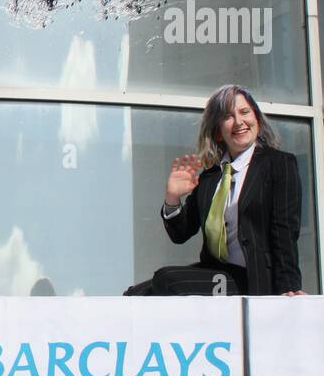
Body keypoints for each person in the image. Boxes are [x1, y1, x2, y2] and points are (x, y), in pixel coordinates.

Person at [126, 84, 306, 297]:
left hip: (253, 277)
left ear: (256, 119)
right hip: (219, 275)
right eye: (228, 117)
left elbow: (284, 230)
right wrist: (173, 198)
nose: (239, 122)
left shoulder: (279, 164)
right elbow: (181, 233)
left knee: (167, 279)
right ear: (219, 132)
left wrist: (289, 288)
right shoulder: (211, 177)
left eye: (244, 112)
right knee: (134, 294)